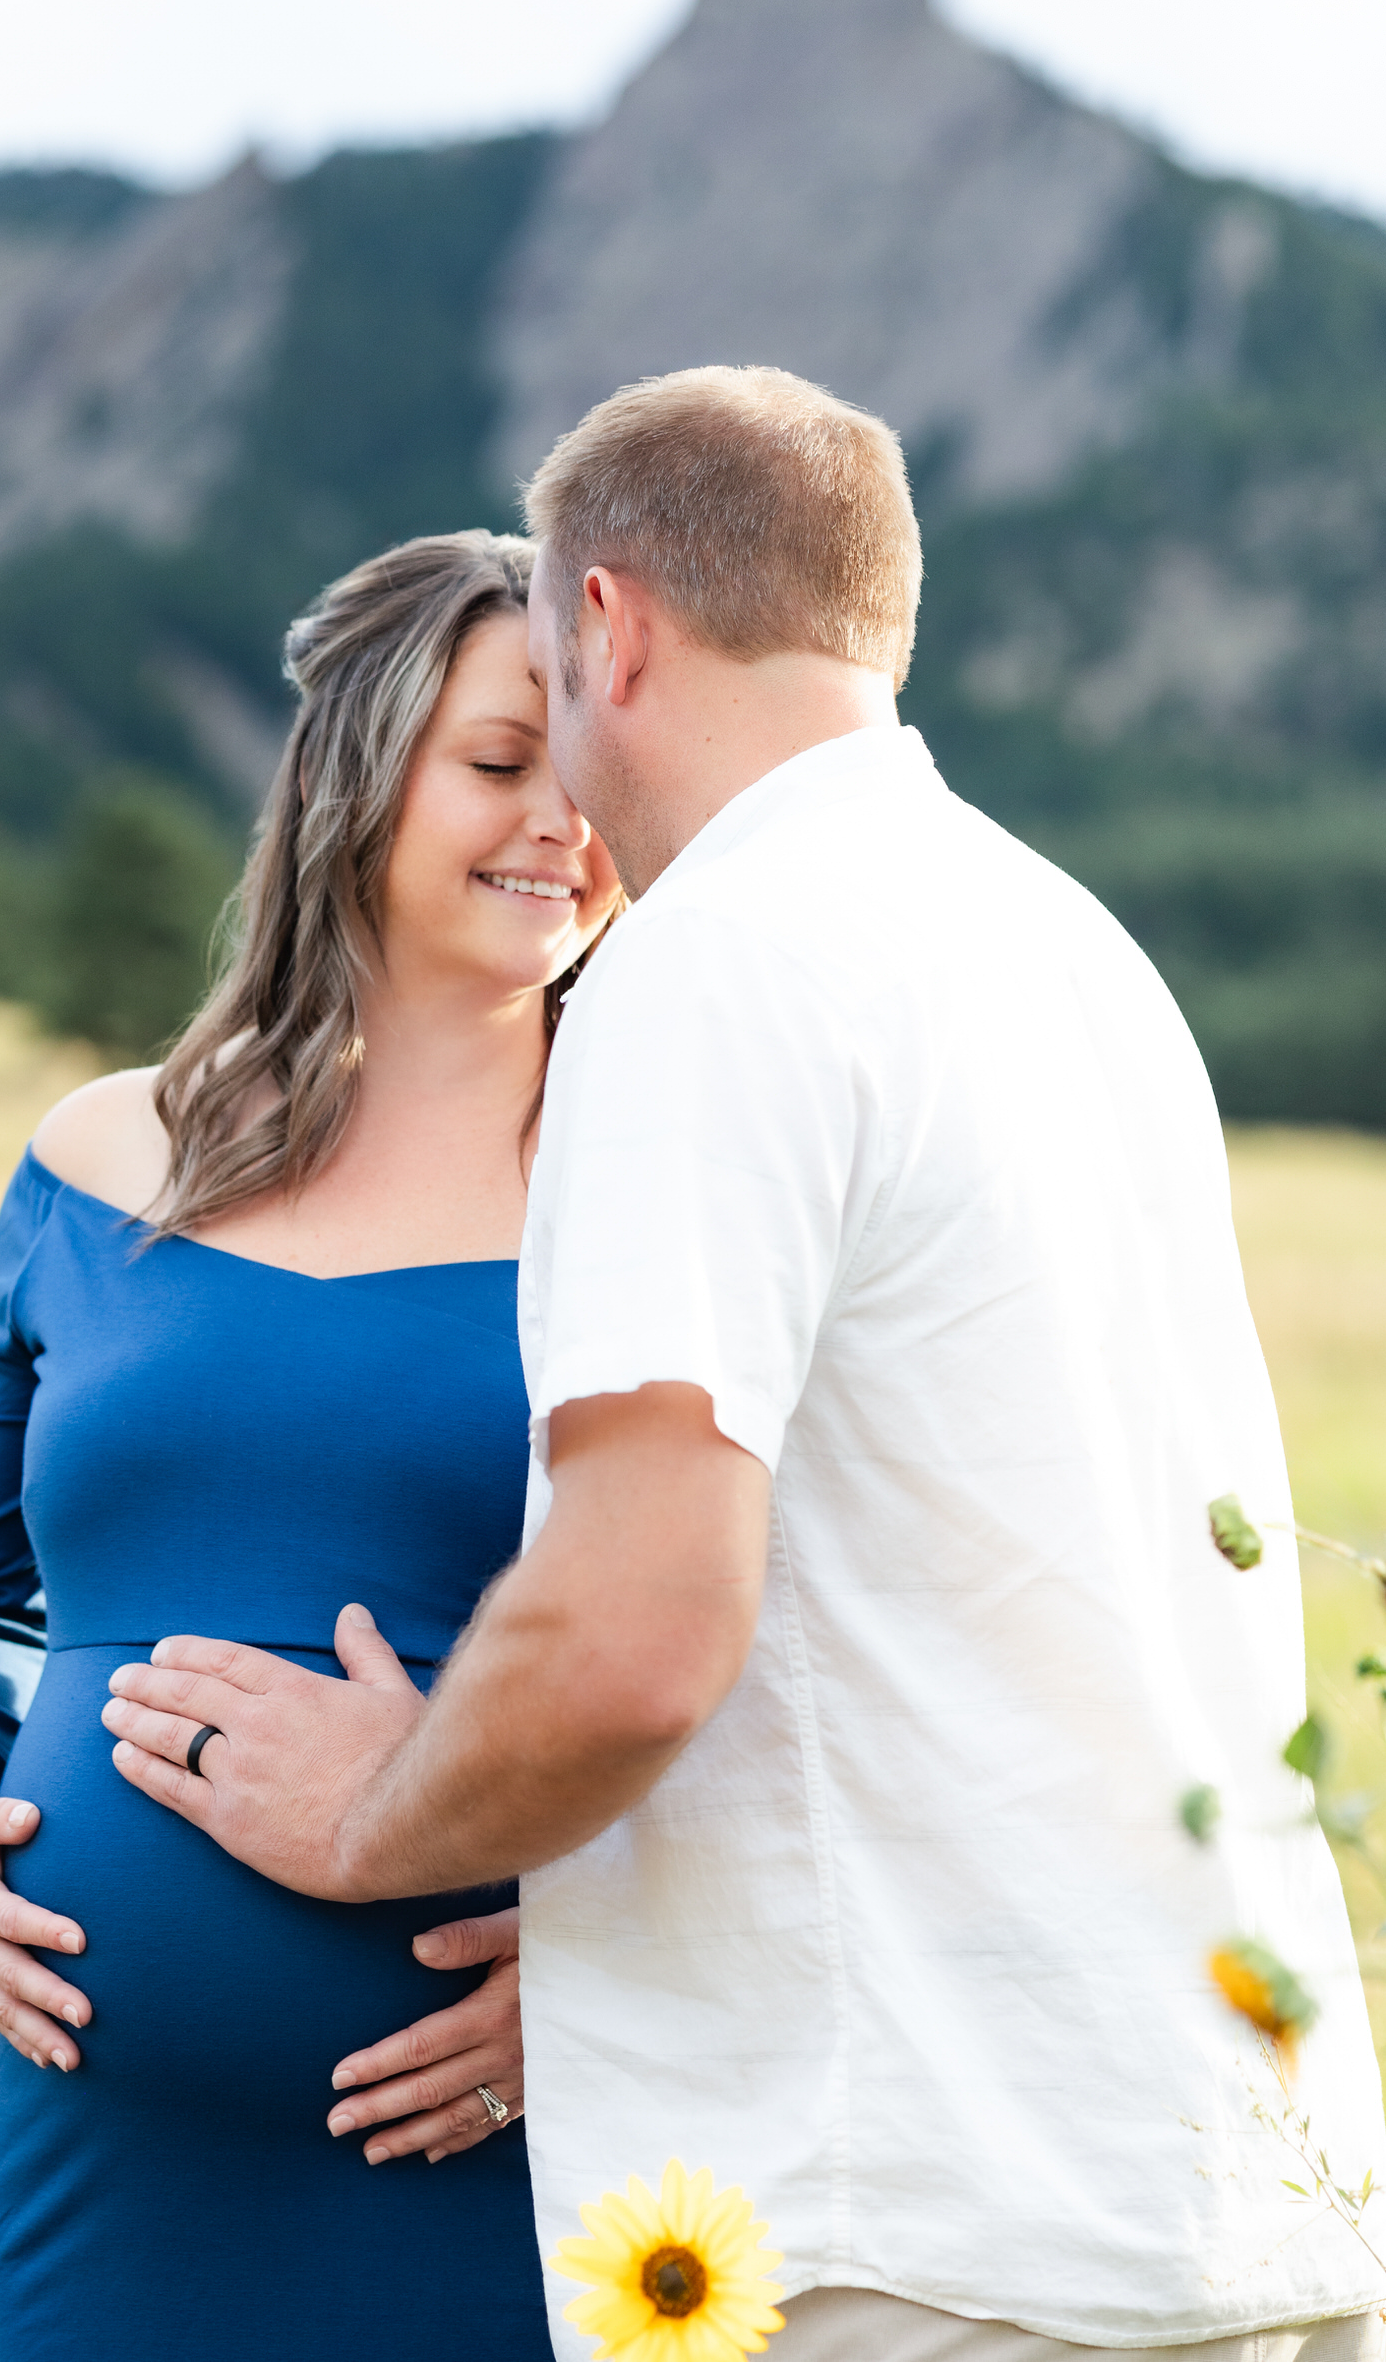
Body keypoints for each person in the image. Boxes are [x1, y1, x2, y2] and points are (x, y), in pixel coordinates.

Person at [106, 368, 1386, 2360]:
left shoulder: (720, 958)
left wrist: (372, 1814)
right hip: (1227, 2178)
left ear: (605, 622)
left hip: (916, 2220)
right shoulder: (1074, 950)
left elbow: (633, 1629)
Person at [0, 528, 622, 2361]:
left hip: (495, 2139)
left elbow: (772, 1643)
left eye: (594, 780)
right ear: (354, 776)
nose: (560, 826)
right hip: (101, 2153)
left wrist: (619, 1993)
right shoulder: (101, 1153)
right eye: (500, 764)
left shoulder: (652, 1184)